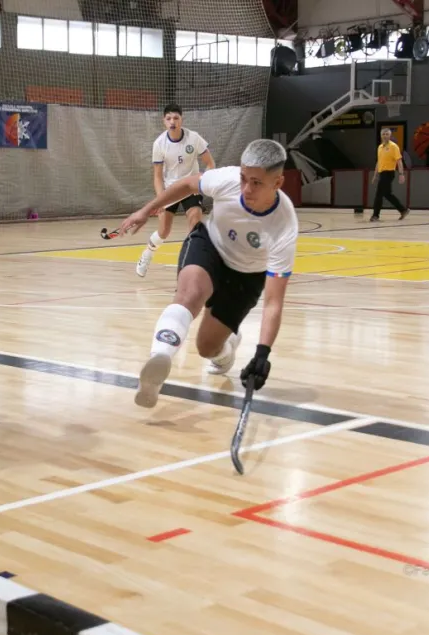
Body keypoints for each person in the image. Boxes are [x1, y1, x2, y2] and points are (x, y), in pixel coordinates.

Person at [118, 139, 298, 408]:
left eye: (256, 183)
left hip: (246, 276)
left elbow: (273, 302)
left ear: (278, 183)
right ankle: (159, 360)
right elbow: (186, 185)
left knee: (207, 347)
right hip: (210, 245)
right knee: (189, 295)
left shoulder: (284, 224)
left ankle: (226, 351)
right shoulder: (227, 180)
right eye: (243, 178)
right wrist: (146, 211)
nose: (246, 189)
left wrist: (262, 353)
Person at [136, 104, 216, 277]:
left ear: (181, 119)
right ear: (164, 121)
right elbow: (158, 176)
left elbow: (210, 164)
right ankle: (147, 253)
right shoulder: (159, 144)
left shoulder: (193, 138)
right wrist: (160, 200)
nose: (172, 121)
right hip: (171, 189)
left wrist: (202, 181)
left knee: (195, 224)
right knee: (164, 231)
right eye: (169, 118)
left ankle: (189, 270)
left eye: (176, 118)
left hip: (191, 187)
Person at [369, 128, 409, 222]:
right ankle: (403, 210)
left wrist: (401, 174)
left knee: (379, 194)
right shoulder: (379, 147)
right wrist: (375, 175)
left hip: (389, 173)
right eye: (383, 134)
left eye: (387, 134)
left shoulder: (394, 146)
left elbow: (399, 161)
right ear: (381, 136)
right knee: (387, 194)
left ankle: (375, 215)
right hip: (382, 173)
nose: (385, 136)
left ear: (390, 135)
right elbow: (379, 162)